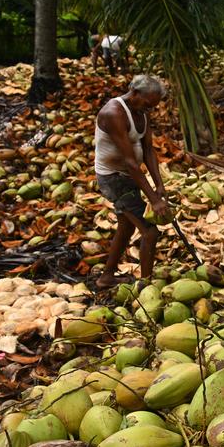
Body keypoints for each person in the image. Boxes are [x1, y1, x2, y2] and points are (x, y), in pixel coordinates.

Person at [93, 74, 170, 290]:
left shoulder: (141, 111)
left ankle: (106, 277)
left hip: (128, 177)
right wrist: (154, 200)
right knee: (150, 231)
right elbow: (129, 162)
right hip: (113, 178)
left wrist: (159, 184)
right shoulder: (113, 113)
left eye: (153, 106)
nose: (149, 109)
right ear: (134, 93)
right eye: (147, 104)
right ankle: (146, 287)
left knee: (126, 227)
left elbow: (148, 150)